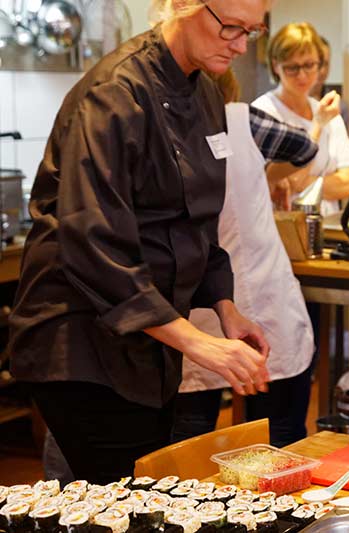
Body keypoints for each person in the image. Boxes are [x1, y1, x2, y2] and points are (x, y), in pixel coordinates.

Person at [8, 0, 273, 483]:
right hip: (81, 342)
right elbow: (93, 244)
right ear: (181, 6)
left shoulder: (207, 96)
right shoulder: (116, 93)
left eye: (251, 32)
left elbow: (196, 222)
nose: (239, 45)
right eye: (230, 27)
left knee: (138, 490)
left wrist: (225, 307)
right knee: (124, 497)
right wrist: (197, 342)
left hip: (148, 345)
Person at [173, 68, 339, 448]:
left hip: (194, 303)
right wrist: (317, 127)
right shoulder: (241, 117)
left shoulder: (161, 128)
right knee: (278, 435)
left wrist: (267, 175)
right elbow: (307, 150)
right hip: (261, 300)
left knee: (187, 440)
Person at [253, 22, 349, 216]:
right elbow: (275, 181)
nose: (302, 75)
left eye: (309, 65)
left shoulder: (326, 110)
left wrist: (305, 183)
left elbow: (346, 183)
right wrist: (317, 125)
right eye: (292, 67)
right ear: (276, 65)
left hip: (327, 226)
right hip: (285, 226)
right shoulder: (263, 112)